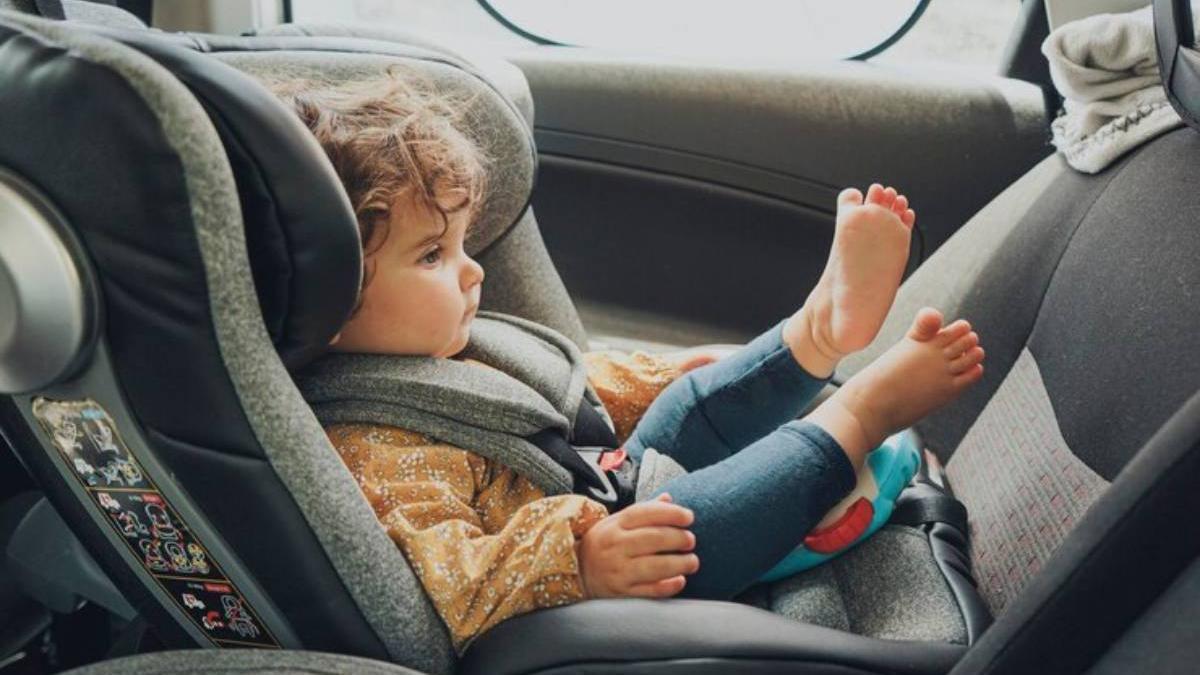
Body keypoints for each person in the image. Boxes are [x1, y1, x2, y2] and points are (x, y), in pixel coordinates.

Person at [266, 70, 985, 653]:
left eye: (460, 246)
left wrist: (668, 377)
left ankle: (814, 335)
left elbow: (568, 390)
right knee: (685, 528)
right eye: (431, 256)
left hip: (609, 480)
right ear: (328, 304)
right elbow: (455, 583)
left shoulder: (443, 349)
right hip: (613, 566)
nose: (471, 273)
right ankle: (860, 414)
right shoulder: (368, 451)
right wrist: (577, 560)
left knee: (682, 404)